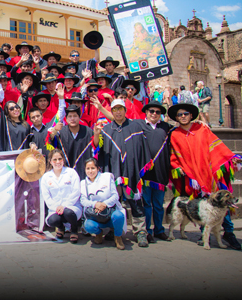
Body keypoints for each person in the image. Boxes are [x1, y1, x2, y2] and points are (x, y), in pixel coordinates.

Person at [168, 102, 242, 250]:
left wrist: (230, 157)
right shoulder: (175, 134)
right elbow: (173, 156)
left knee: (221, 203)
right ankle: (204, 235)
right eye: (180, 114)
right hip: (192, 178)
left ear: (191, 115)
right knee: (200, 207)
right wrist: (177, 167)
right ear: (176, 117)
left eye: (185, 114)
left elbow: (217, 146)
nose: (183, 116)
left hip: (209, 175)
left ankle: (228, 233)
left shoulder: (201, 129)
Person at [97, 99, 152, 247]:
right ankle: (113, 230)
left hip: (132, 172)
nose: (118, 112)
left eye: (120, 109)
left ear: (125, 110)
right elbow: (100, 151)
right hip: (114, 173)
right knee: (114, 202)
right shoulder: (107, 129)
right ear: (112, 112)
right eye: (115, 109)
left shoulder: (135, 127)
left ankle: (140, 231)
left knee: (135, 202)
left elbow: (143, 146)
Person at [135, 101, 171, 242]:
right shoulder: (139, 125)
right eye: (151, 111)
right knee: (147, 205)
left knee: (158, 205)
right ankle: (147, 230)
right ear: (146, 112)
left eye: (157, 112)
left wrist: (199, 122)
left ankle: (159, 230)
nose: (154, 114)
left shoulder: (166, 127)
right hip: (145, 173)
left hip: (161, 172)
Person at [80, 158, 125, 250]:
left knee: (119, 216)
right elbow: (83, 200)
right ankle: (98, 234)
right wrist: (95, 204)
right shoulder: (83, 183)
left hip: (109, 212)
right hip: (95, 215)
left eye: (93, 168)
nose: (90, 171)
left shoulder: (107, 178)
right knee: (88, 225)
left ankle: (118, 237)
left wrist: (104, 204)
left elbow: (115, 196)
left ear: (98, 168)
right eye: (88, 169)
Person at [41, 149, 82, 243]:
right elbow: (47, 197)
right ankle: (61, 228)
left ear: (63, 160)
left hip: (72, 207)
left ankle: (74, 230)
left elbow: (76, 191)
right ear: (50, 161)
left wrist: (64, 206)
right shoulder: (46, 177)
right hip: (55, 209)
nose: (58, 162)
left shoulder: (71, 173)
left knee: (68, 212)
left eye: (60, 159)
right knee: (53, 220)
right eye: (54, 159)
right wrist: (57, 207)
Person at [48, 105, 100, 180]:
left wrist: (96, 134)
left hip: (83, 170)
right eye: (70, 116)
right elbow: (49, 142)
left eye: (75, 116)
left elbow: (95, 146)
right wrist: (54, 130)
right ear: (66, 118)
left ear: (79, 117)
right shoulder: (61, 132)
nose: (72, 119)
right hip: (65, 172)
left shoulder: (87, 131)